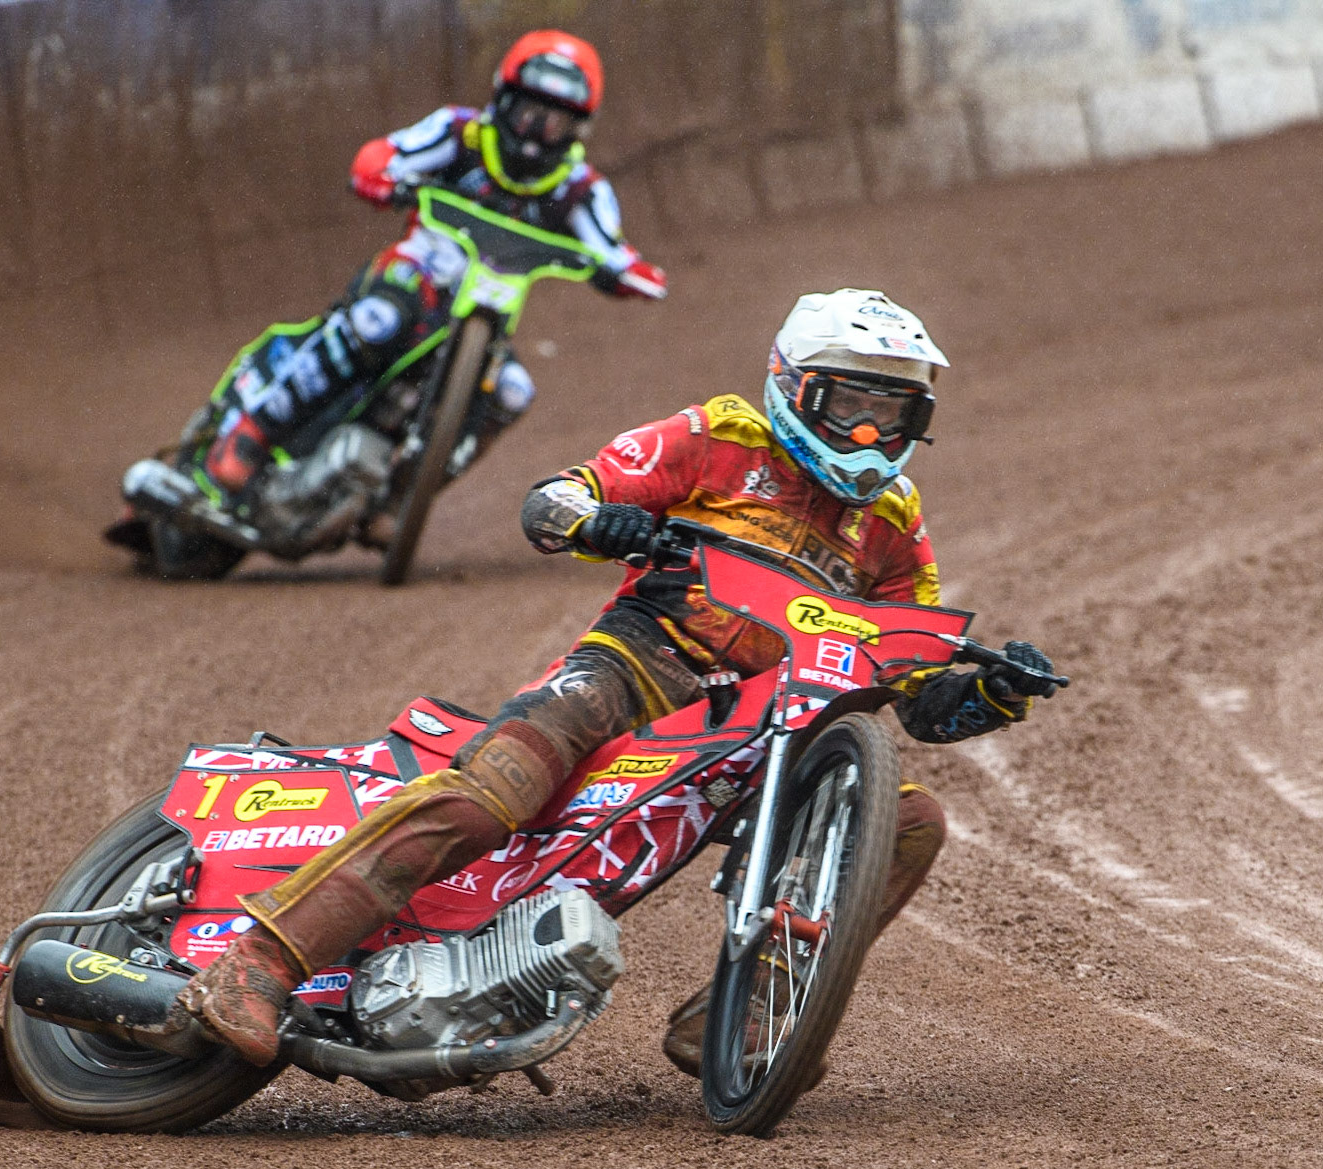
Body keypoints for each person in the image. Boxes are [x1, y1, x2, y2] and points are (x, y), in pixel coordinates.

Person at [161, 289, 1060, 1080]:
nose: (869, 433)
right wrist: (604, 519)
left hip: (775, 726)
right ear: (793, 387)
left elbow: (919, 689)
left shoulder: (895, 524)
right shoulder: (717, 438)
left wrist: (991, 693)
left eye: (892, 413)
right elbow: (555, 499)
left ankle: (744, 1016)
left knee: (908, 821)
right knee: (492, 791)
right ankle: (258, 964)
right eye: (851, 404)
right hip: (638, 664)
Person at [196, 28, 666, 506]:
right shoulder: (459, 133)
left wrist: (632, 276)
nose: (535, 134)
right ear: (502, 100)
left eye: (554, 123)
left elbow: (616, 251)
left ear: (577, 129)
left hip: (488, 311)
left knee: (512, 391)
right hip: (415, 275)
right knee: (380, 321)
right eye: (529, 114)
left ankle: (402, 500)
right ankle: (252, 434)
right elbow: (387, 155)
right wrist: (382, 176)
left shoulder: (580, 188)